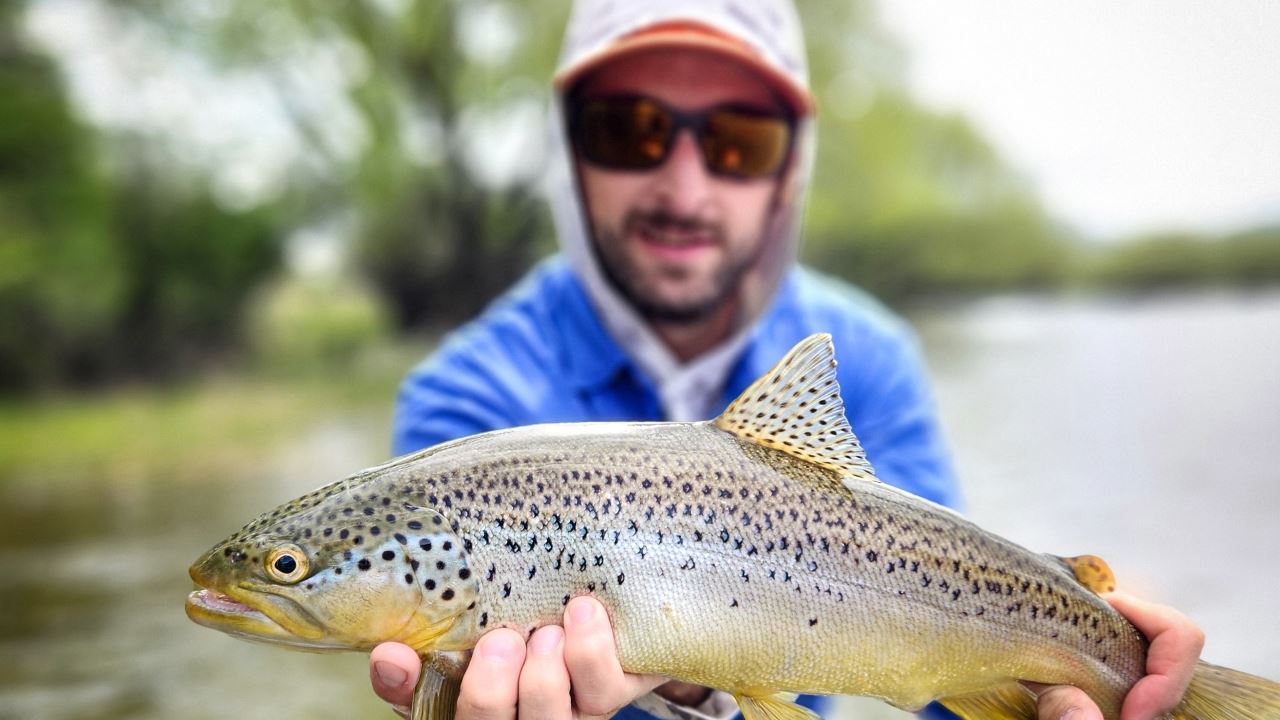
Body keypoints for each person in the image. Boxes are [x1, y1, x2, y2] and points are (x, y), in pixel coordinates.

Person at [365, 2, 1206, 719]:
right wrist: (690, 695)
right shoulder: (466, 395)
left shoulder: (866, 356)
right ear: (568, 151)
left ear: (790, 168)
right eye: (630, 130)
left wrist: (1086, 663)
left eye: (738, 140)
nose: (685, 187)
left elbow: (938, 673)